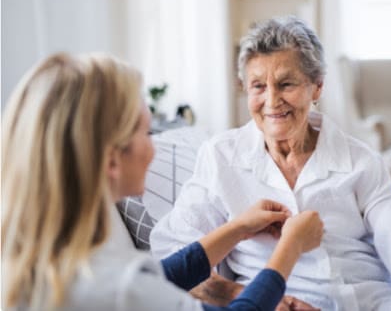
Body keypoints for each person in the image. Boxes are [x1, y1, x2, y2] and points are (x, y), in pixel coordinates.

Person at [151, 16, 391, 311]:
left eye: (286, 84)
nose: (272, 101)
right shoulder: (220, 157)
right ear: (245, 89)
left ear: (317, 87)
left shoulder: (360, 161)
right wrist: (243, 295)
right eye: (258, 86)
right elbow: (176, 257)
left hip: (368, 301)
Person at [1, 52, 325, 311]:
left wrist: (237, 228)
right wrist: (290, 247)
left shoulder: (45, 262)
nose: (153, 145)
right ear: (113, 160)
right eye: (146, 131)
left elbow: (162, 277)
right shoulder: (121, 289)